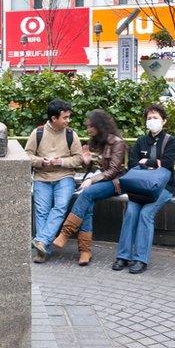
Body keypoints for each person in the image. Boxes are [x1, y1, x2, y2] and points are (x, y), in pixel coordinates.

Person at [52, 109, 127, 266]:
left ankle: (65, 233)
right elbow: (95, 166)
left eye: (91, 126)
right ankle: (85, 251)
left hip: (114, 183)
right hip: (98, 180)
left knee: (87, 194)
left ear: (99, 125)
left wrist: (92, 180)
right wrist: (86, 161)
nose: (88, 129)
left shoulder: (117, 142)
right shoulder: (96, 141)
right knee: (87, 205)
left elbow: (113, 170)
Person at [112, 104, 175, 274]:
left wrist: (147, 162)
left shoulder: (170, 141)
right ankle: (123, 256)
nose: (152, 121)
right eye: (149, 118)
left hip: (162, 188)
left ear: (164, 121)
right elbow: (133, 164)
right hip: (140, 187)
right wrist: (153, 163)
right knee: (131, 212)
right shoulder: (141, 141)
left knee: (145, 214)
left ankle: (141, 259)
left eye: (155, 117)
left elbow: (166, 164)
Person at [26, 99, 83, 263]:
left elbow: (78, 158)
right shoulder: (38, 133)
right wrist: (41, 161)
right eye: (65, 117)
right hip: (42, 177)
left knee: (60, 207)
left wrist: (62, 162)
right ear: (53, 118)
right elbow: (27, 155)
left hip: (64, 176)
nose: (68, 120)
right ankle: (42, 250)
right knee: (41, 212)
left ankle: (42, 240)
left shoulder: (71, 134)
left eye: (68, 117)